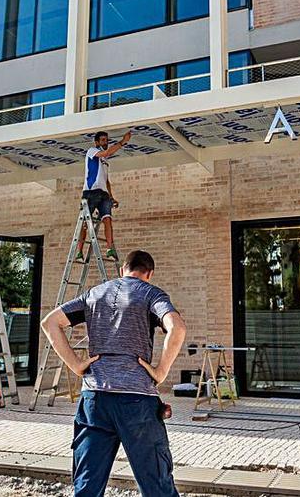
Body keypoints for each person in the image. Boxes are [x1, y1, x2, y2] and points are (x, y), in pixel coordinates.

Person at [40, 250, 187, 497]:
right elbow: (177, 327)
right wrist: (161, 371)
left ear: (122, 270)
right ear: (149, 274)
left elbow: (50, 322)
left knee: (87, 486)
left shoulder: (94, 294)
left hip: (95, 399)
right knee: (157, 486)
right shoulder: (151, 294)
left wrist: (76, 365)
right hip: (137, 400)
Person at [79, 130, 132, 262]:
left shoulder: (105, 161)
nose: (105, 142)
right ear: (96, 142)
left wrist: (111, 196)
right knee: (84, 222)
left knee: (107, 220)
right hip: (91, 192)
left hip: (103, 193)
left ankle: (109, 249)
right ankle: (79, 251)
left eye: (106, 140)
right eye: (102, 140)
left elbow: (106, 180)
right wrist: (122, 142)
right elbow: (107, 152)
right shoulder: (92, 151)